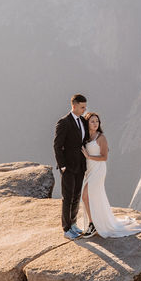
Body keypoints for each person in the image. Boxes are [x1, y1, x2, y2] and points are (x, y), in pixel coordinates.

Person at [79, 111, 141, 238]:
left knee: (85, 196)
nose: (95, 124)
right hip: (89, 170)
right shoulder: (86, 137)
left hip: (98, 169)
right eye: (92, 121)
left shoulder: (101, 137)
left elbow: (104, 157)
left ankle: (93, 224)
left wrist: (88, 156)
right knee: (93, 196)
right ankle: (96, 222)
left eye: (97, 121)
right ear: (87, 123)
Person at [53, 94, 91, 239]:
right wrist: (62, 166)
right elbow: (57, 146)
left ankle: (74, 224)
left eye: (85, 107)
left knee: (76, 196)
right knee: (67, 197)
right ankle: (66, 228)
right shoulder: (64, 122)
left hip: (80, 165)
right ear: (74, 106)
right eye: (82, 107)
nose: (84, 110)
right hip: (68, 167)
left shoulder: (82, 121)